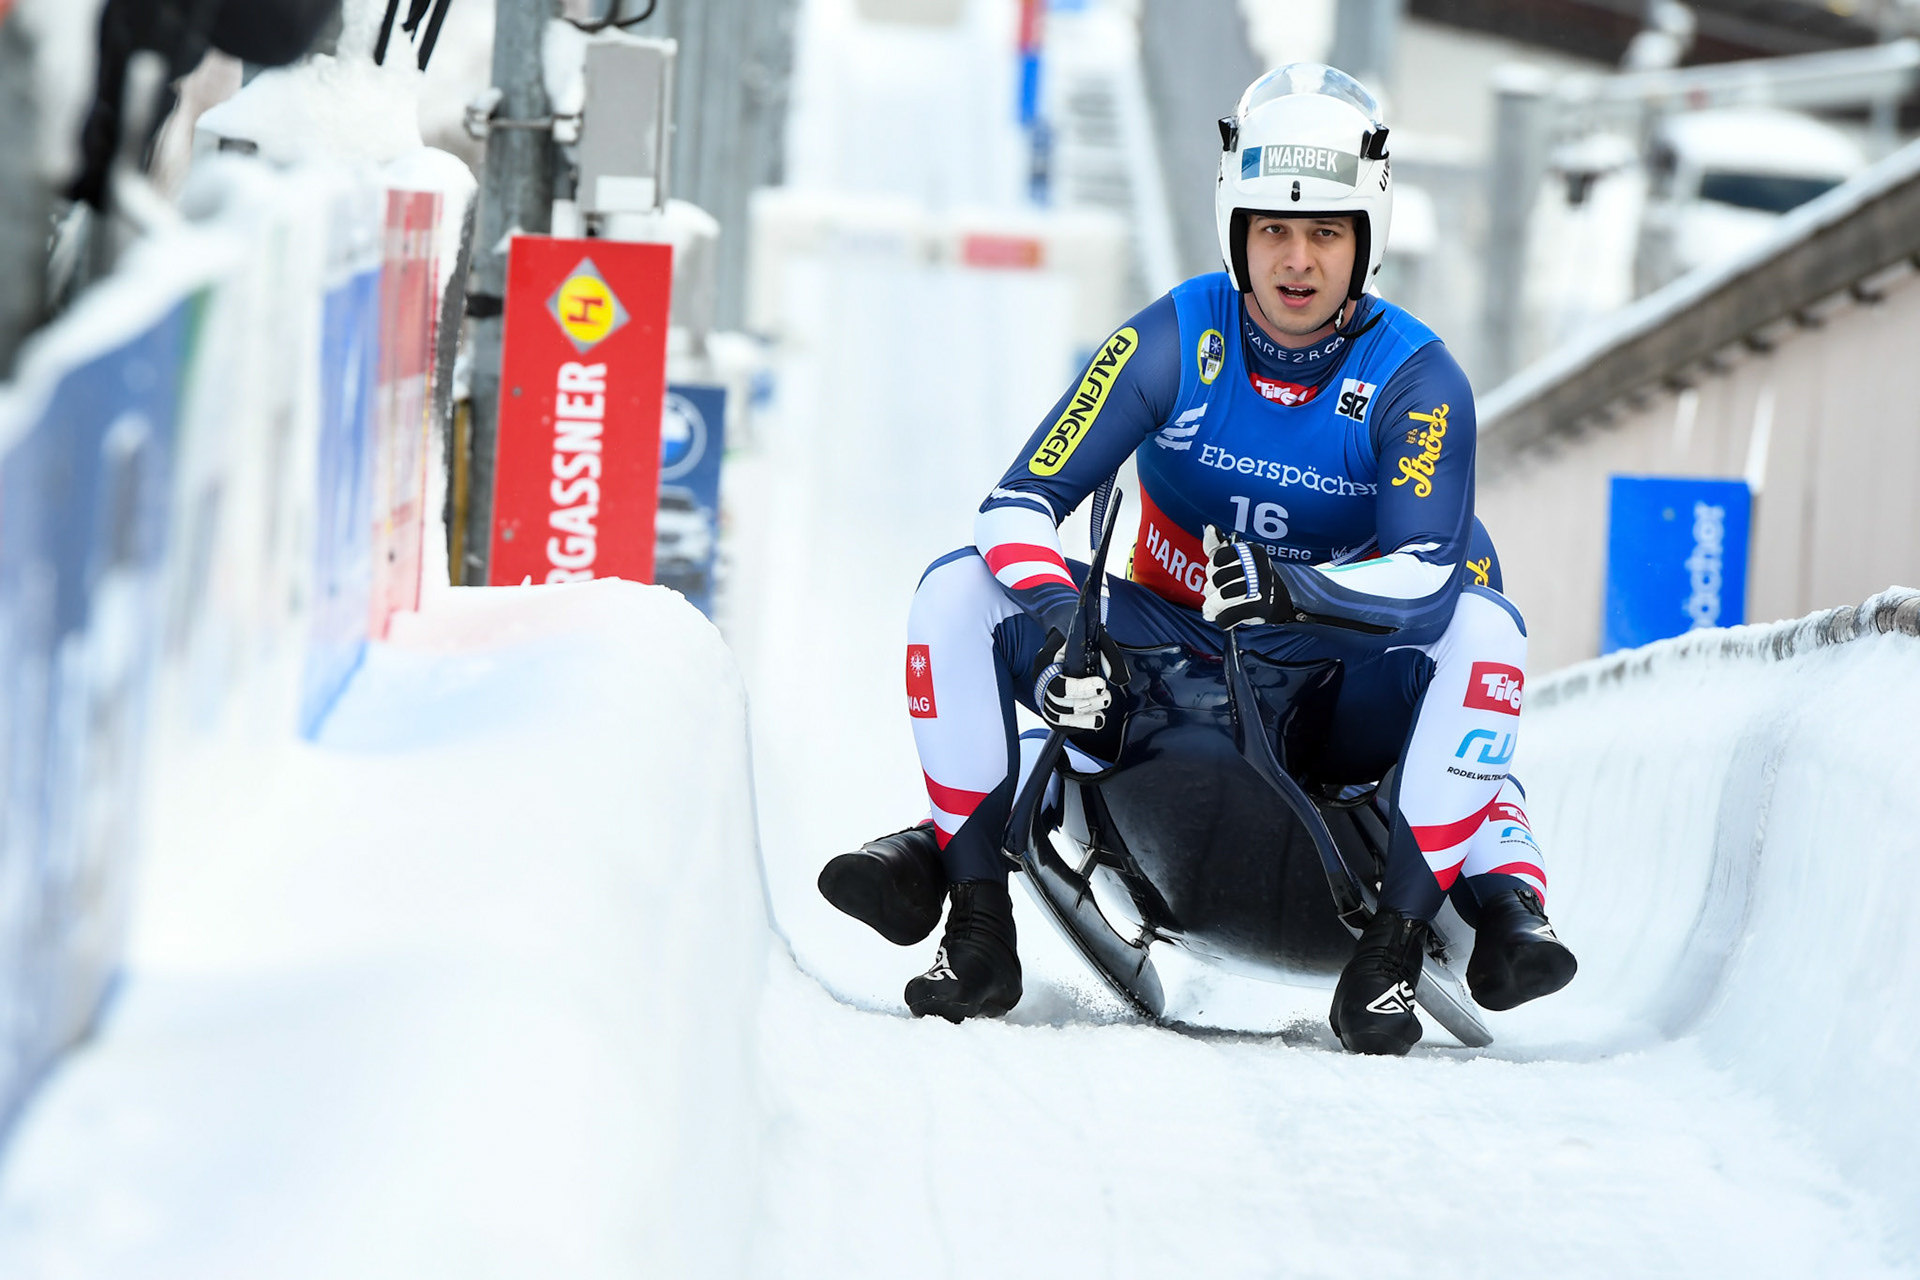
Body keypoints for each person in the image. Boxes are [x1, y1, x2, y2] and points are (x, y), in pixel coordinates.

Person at [816, 64, 1575, 1055]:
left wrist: (1292, 588)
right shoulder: (1175, 334)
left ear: (1366, 241)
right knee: (957, 586)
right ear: (1236, 231)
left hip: (1334, 695)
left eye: (1324, 234)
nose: (1295, 262)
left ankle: (1391, 950)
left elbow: (1430, 573)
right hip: (1166, 663)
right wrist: (1057, 625)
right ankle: (975, 921)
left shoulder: (1417, 376)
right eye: (1272, 231)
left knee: (1486, 623)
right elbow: (1017, 501)